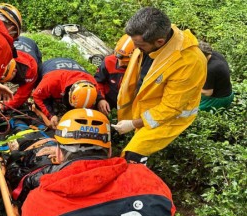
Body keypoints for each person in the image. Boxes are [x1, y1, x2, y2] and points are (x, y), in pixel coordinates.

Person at [0, 108, 179, 216]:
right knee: (165, 211)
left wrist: (15, 155)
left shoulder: (39, 200)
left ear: (58, 154)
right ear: (108, 151)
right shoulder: (146, 179)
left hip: (30, 155)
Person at [113, 7, 207, 164]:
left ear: (160, 42)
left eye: (140, 46)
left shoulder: (189, 62)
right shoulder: (149, 40)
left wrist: (133, 123)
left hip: (168, 118)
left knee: (132, 156)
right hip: (144, 111)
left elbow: (170, 108)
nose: (135, 49)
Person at [32, 57, 110, 129]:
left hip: (71, 69)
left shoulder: (92, 82)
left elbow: (98, 91)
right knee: (44, 104)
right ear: (69, 93)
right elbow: (37, 96)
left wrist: (101, 99)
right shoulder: (51, 81)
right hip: (51, 68)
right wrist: (51, 115)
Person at [94, 34, 135, 109]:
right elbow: (98, 81)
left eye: (126, 61)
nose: (120, 63)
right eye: (118, 59)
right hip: (108, 99)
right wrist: (100, 99)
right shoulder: (108, 61)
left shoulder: (140, 67)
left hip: (129, 104)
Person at [2, 36, 43, 110]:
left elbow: (22, 94)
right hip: (18, 41)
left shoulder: (31, 69)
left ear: (14, 71)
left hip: (31, 45)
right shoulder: (3, 56)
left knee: (37, 80)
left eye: (7, 79)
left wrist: (5, 106)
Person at [198, 41, 234, 111]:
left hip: (219, 100)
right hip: (228, 92)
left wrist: (192, 88)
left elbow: (208, 93)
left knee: (188, 113)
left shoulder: (211, 69)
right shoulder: (214, 54)